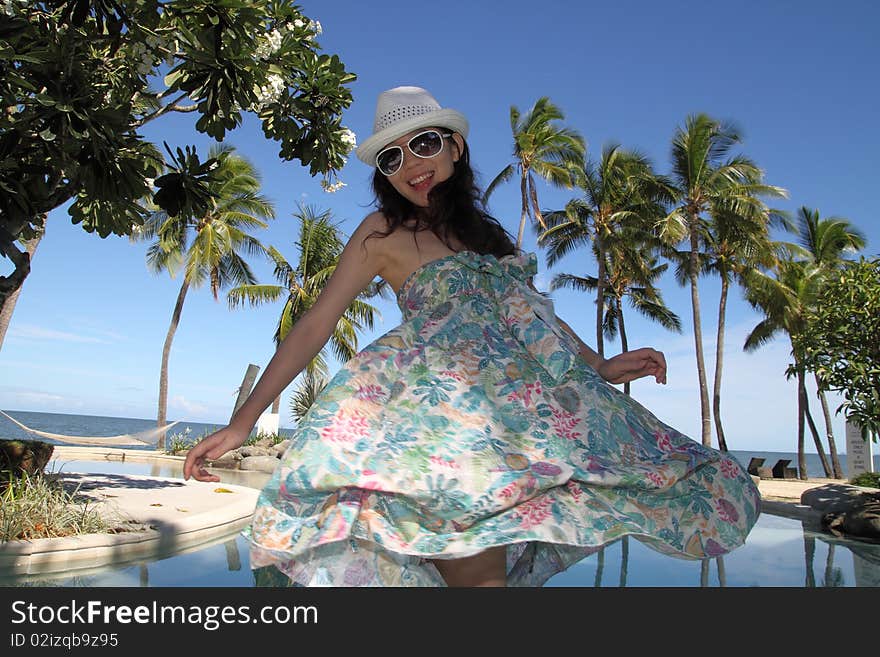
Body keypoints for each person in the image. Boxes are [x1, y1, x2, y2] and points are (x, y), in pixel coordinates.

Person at [184, 85, 760, 587]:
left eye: (424, 143)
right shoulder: (381, 233)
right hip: (437, 423)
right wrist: (243, 421)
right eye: (391, 157)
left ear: (455, 147)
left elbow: (536, 321)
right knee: (478, 581)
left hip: (512, 424)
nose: (410, 163)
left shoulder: (492, 241)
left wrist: (601, 366)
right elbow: (316, 323)